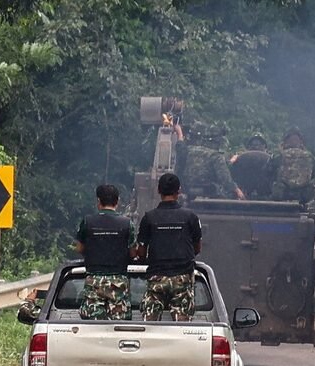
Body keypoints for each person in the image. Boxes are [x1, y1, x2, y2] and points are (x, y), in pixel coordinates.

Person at [136, 173, 203, 321]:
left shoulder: (149, 217)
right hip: (183, 277)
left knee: (149, 323)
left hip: (157, 276)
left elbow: (141, 251)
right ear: (179, 191)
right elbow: (197, 248)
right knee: (182, 325)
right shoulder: (190, 217)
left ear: (158, 190)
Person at [75, 184, 137, 320]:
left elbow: (79, 248)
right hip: (118, 281)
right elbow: (133, 253)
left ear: (98, 201)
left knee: (93, 324)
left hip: (94, 280)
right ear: (117, 201)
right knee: (119, 325)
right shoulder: (127, 223)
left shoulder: (87, 222)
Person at [183, 122, 244, 200]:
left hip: (187, 190)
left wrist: (230, 161)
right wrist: (237, 190)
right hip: (209, 191)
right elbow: (225, 179)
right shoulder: (216, 156)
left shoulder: (189, 150)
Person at [268, 127, 315, 203]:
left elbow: (268, 171)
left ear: (285, 142)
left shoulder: (279, 156)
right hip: (303, 196)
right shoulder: (310, 156)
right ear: (301, 142)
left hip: (283, 195)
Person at [229, 133, 272, 199]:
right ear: (249, 147)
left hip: (266, 193)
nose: (256, 147)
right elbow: (230, 168)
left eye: (259, 145)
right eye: (253, 145)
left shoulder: (272, 159)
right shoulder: (239, 157)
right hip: (244, 193)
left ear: (264, 147)